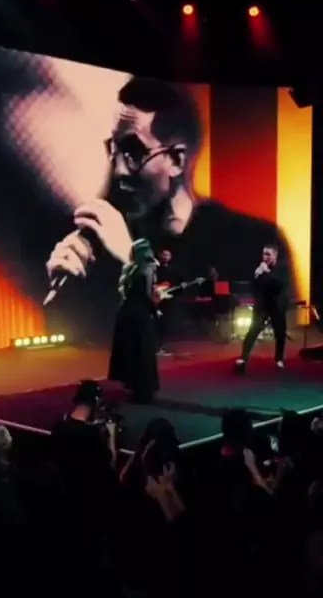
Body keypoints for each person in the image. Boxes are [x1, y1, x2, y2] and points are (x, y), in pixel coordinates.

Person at [46, 77, 294, 317]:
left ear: (176, 160)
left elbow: (206, 331)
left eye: (134, 151)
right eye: (114, 148)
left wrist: (132, 264)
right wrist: (66, 291)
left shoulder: (253, 242)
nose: (119, 170)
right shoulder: (104, 242)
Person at [109, 238, 159, 403]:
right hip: (140, 316)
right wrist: (155, 310)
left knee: (132, 353)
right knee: (143, 353)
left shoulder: (129, 268)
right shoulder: (148, 268)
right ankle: (144, 393)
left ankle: (136, 389)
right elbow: (145, 295)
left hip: (125, 314)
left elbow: (125, 292)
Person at [235, 245, 290, 373]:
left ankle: (279, 359)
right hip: (263, 306)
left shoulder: (282, 268)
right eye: (264, 254)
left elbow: (280, 284)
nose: (265, 257)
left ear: (275, 255)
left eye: (268, 254)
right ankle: (243, 359)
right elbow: (253, 287)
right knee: (253, 331)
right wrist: (256, 275)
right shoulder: (261, 269)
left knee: (280, 333)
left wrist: (267, 272)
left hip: (277, 306)